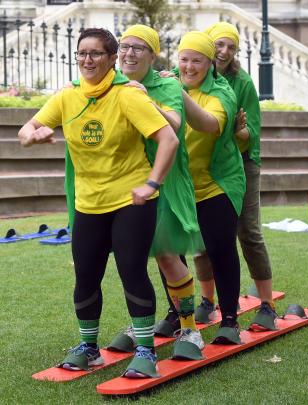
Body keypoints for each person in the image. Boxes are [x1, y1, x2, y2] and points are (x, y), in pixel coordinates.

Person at [18, 28, 179, 378]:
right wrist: (35, 136)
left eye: (95, 54)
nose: (87, 60)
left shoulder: (127, 95)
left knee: (131, 272)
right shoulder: (67, 96)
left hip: (131, 200)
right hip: (89, 202)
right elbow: (25, 131)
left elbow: (168, 138)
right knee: (86, 276)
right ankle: (89, 348)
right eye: (82, 54)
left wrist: (153, 182)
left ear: (110, 59)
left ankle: (146, 352)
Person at [103, 24, 205, 360]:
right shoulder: (112, 84)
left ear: (152, 55)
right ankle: (141, 326)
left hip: (164, 182)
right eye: (124, 46)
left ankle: (189, 327)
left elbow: (174, 123)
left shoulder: (165, 84)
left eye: (138, 48)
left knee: (166, 256)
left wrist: (144, 98)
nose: (129, 53)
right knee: (131, 262)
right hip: (125, 182)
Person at [193, 22, 277, 331]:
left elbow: (251, 132)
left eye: (231, 46)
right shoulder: (197, 74)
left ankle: (267, 304)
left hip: (241, 163)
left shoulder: (242, 83)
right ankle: (207, 300)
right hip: (205, 164)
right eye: (219, 44)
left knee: (247, 232)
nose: (224, 51)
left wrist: (239, 131)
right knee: (203, 235)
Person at [173, 31, 246, 343]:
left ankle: (229, 317)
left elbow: (210, 125)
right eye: (184, 59)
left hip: (218, 183)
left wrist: (176, 91)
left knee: (219, 249)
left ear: (209, 64)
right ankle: (178, 313)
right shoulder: (168, 82)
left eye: (197, 60)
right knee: (171, 253)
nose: (189, 66)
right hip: (180, 184)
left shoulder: (222, 92)